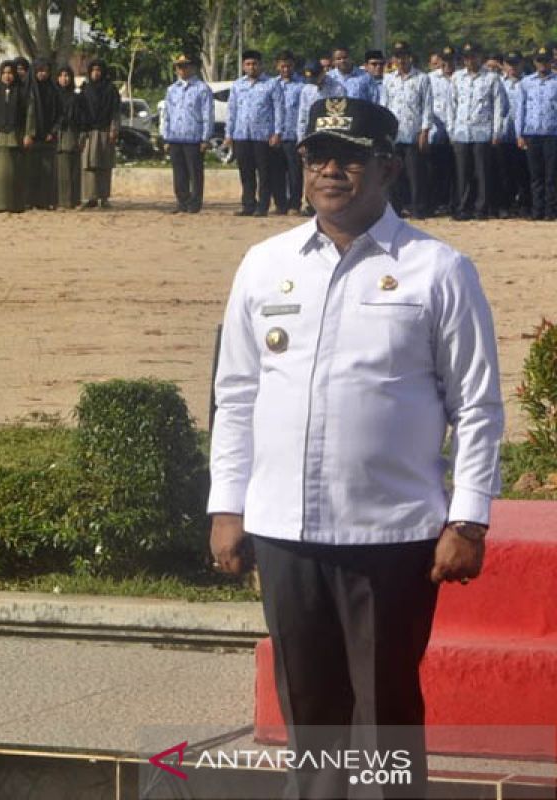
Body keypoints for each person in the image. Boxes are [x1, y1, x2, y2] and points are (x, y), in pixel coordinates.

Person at [211, 95, 503, 800]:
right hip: (285, 530)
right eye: (318, 156)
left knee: (385, 717)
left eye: (350, 156)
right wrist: (227, 505)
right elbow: (237, 394)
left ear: (389, 167)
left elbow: (477, 405)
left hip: (390, 533)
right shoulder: (264, 263)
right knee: (310, 715)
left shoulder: (438, 269)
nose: (331, 170)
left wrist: (467, 520)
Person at [448, 41, 507, 220]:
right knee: (462, 173)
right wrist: (451, 130)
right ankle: (463, 208)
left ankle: (481, 209)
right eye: (466, 57)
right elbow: (452, 105)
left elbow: (499, 106)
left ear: (480, 56)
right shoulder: (457, 77)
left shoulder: (491, 78)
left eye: (473, 56)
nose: (470, 60)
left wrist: (497, 131)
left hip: (482, 130)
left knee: (482, 173)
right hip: (461, 131)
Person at [225, 49, 284, 217]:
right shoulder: (237, 85)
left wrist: (277, 132)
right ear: (243, 66)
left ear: (261, 65)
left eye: (255, 64)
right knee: (246, 172)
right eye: (248, 64)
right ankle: (248, 204)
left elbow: (279, 109)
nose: (252, 67)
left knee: (264, 173)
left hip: (263, 136)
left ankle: (263, 206)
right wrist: (229, 133)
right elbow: (232, 110)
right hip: (241, 134)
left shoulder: (272, 84)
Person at [382, 42, 433, 219]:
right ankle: (395, 209)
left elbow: (427, 106)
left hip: (413, 133)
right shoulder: (388, 79)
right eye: (397, 56)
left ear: (410, 57)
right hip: (394, 134)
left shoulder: (422, 78)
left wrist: (425, 130)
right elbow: (384, 105)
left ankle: (417, 208)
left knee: (415, 174)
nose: (400, 60)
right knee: (393, 175)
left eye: (403, 56)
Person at [161, 53, 213, 214]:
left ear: (192, 67)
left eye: (185, 66)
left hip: (194, 136)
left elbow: (207, 114)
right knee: (179, 172)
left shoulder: (202, 88)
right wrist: (166, 137)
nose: (182, 69)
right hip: (175, 136)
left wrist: (205, 138)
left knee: (195, 172)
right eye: (179, 66)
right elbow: (167, 114)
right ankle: (182, 201)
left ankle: (194, 203)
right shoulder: (172, 89)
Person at [0, 60, 33, 213]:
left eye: (10, 73)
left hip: (15, 137)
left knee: (13, 172)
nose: (7, 76)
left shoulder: (23, 93)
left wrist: (28, 134)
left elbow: (30, 114)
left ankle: (14, 204)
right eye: (4, 73)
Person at [517, 45, 557, 220]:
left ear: (551, 62)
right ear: (534, 62)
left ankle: (550, 211)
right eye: (540, 60)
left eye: (546, 60)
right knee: (535, 176)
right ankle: (537, 210)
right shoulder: (526, 83)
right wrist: (519, 134)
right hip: (532, 134)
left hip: (552, 133)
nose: (543, 64)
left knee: (551, 176)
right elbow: (520, 109)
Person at [80, 59, 120, 209]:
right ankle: (91, 197)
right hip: (89, 132)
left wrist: (113, 129)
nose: (96, 73)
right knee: (89, 165)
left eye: (98, 70)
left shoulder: (110, 90)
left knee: (104, 165)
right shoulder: (85, 89)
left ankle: (103, 198)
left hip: (105, 131)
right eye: (93, 70)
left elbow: (115, 111)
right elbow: (81, 111)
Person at [24, 59, 61, 210]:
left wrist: (52, 132)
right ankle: (30, 201)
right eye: (39, 70)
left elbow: (60, 114)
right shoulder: (27, 90)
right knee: (31, 170)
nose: (42, 74)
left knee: (47, 171)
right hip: (31, 137)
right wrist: (27, 133)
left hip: (48, 137)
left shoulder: (54, 90)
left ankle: (46, 201)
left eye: (45, 71)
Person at [271, 50, 305, 214]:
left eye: (289, 66)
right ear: (277, 66)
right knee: (276, 172)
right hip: (275, 136)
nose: (286, 69)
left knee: (295, 172)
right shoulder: (271, 84)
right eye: (283, 66)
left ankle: (294, 204)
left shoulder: (302, 85)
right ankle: (280, 204)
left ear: (294, 66)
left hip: (294, 135)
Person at [499, 51, 531, 217]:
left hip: (523, 136)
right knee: (504, 173)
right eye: (509, 64)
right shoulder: (498, 82)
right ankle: (505, 205)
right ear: (504, 65)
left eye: (515, 64)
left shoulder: (529, 82)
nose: (512, 67)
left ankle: (525, 205)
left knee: (524, 172)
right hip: (503, 134)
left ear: (522, 64)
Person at [428, 46, 458, 216]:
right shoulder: (430, 78)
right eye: (445, 59)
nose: (448, 63)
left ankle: (454, 203)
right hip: (436, 130)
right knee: (437, 170)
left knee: (456, 171)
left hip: (458, 131)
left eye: (451, 59)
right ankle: (438, 203)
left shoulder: (461, 77)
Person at [295, 60, 346, 144]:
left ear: (323, 73)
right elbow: (303, 117)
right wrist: (301, 139)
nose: (313, 81)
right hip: (312, 133)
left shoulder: (337, 89)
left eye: (315, 78)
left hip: (332, 134)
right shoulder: (307, 90)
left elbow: (342, 115)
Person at [54, 65, 83, 209]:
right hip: (55, 134)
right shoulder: (52, 95)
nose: (64, 79)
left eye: (67, 76)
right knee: (59, 169)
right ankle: (59, 200)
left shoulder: (76, 97)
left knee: (72, 168)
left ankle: (72, 200)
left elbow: (80, 117)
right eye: (61, 76)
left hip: (71, 134)